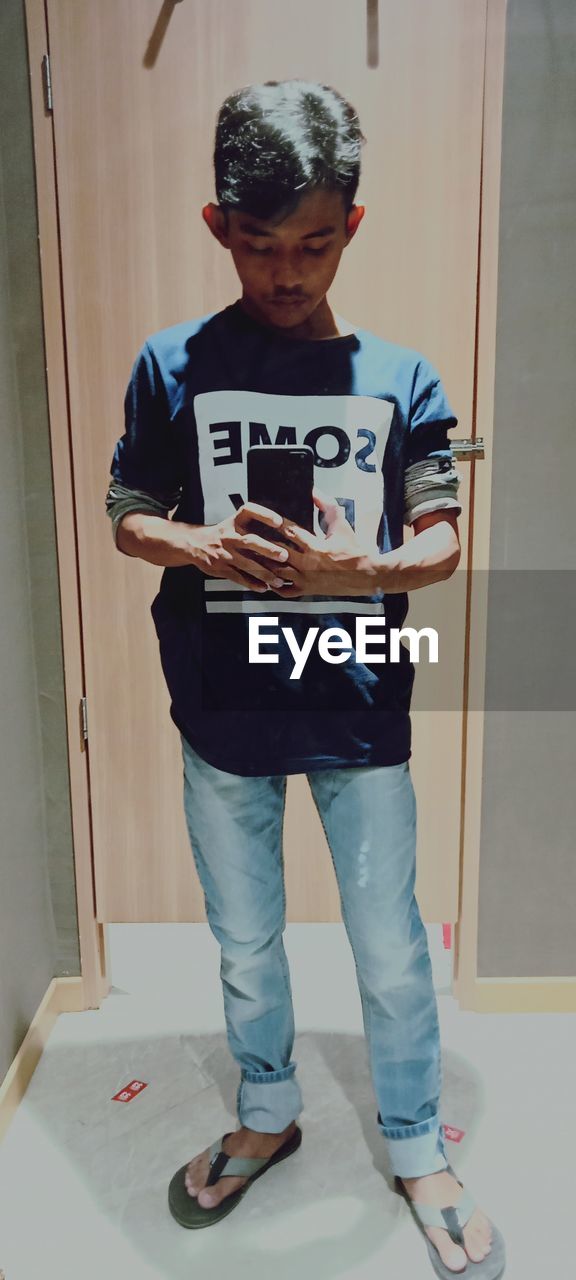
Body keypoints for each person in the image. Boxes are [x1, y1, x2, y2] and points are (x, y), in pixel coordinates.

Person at [105, 80, 505, 1277]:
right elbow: (128, 509)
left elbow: (441, 544)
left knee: (389, 941)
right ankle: (268, 1111)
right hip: (220, 703)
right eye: (263, 245)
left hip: (357, 702)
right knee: (243, 936)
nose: (287, 273)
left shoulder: (402, 379)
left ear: (353, 228)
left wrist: (353, 566)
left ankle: (414, 1138)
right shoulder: (169, 364)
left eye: (315, 245)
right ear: (219, 226)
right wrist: (192, 543)